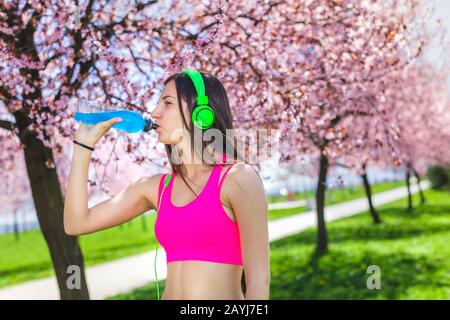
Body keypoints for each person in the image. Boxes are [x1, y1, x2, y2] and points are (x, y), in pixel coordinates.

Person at [63, 70, 270, 300]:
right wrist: (82, 146)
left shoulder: (238, 178)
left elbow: (259, 279)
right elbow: (76, 224)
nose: (154, 113)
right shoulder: (156, 188)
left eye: (167, 103)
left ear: (201, 113)